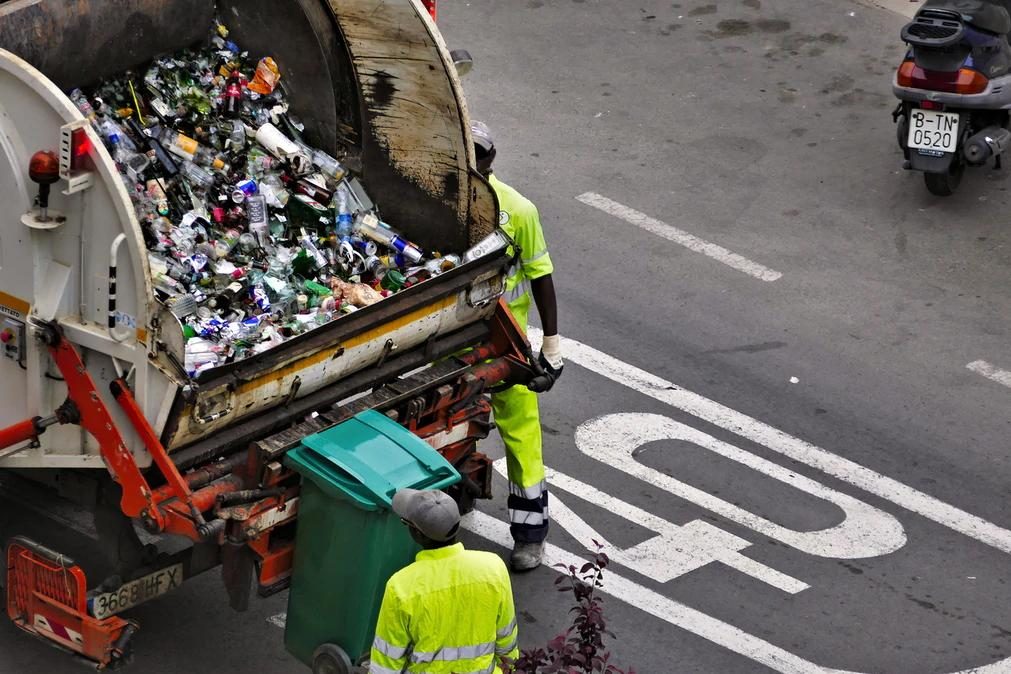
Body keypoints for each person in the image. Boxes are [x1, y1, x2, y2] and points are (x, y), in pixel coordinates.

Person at [471, 120, 563, 571]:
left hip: (505, 342)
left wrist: (552, 345)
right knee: (449, 420)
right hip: (453, 337)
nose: (473, 160)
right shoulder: (439, 199)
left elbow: (541, 276)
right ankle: (453, 496)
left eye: (480, 153)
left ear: (492, 158)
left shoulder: (518, 210)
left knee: (522, 437)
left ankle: (530, 536)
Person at [369, 488, 519, 674]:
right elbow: (507, 641)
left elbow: (386, 663)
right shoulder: (493, 568)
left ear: (418, 534)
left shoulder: (401, 587)